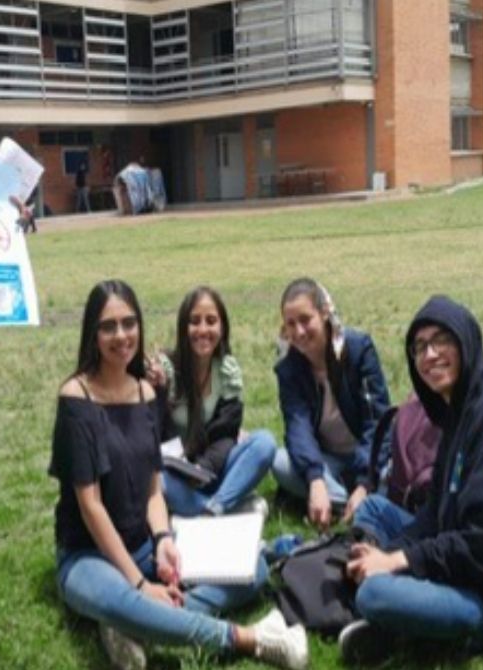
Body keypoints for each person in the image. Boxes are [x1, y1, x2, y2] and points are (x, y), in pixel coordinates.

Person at [51, 280, 307, 670]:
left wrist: (163, 539)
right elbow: (91, 507)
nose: (121, 335)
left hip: (145, 543)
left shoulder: (145, 394)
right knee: (121, 595)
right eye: (108, 326)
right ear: (92, 332)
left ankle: (135, 624)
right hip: (89, 553)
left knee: (253, 572)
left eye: (129, 323)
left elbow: (154, 490)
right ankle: (250, 639)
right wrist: (139, 583)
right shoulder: (76, 397)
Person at [340, 295, 483, 664]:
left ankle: (472, 629)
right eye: (420, 346)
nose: (430, 355)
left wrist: (397, 561)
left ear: (466, 343)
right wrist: (389, 553)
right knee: (375, 508)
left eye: (442, 340)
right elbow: (436, 508)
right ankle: (404, 609)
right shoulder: (457, 409)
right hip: (466, 556)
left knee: (373, 594)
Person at [271, 278, 391, 530]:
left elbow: (377, 422)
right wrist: (315, 479)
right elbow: (297, 426)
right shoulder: (289, 368)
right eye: (291, 324)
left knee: (392, 470)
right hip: (328, 460)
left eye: (305, 320)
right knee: (279, 462)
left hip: (366, 454)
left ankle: (349, 500)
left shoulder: (358, 349)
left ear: (324, 313)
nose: (299, 332)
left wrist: (364, 482)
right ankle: (353, 505)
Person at [146, 285, 276, 517]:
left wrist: (203, 468)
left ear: (222, 326)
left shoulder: (227, 371)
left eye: (211, 321)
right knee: (156, 477)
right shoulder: (166, 368)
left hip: (214, 468)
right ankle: (226, 507)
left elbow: (226, 435)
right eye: (194, 321)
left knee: (264, 443)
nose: (203, 329)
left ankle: (213, 508)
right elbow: (154, 432)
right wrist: (157, 390)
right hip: (175, 473)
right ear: (183, 327)